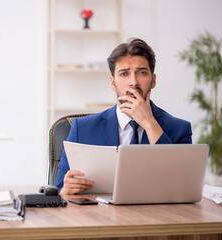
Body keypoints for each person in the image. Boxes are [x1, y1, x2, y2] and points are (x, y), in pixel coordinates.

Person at [55, 38, 193, 195]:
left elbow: (182, 188)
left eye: (141, 73)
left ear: (153, 81)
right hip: (101, 217)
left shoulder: (180, 129)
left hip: (157, 217)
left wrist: (149, 123)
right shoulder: (81, 129)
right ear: (113, 83)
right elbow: (58, 192)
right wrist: (66, 189)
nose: (133, 82)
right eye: (124, 74)